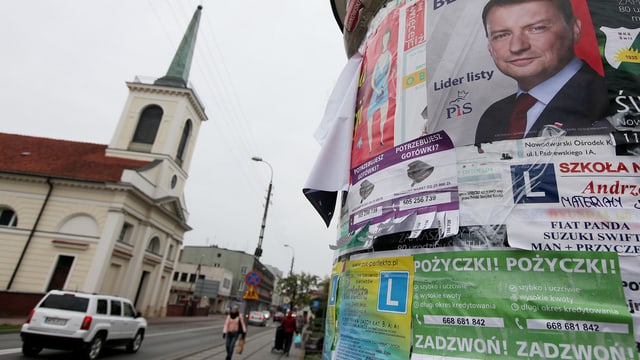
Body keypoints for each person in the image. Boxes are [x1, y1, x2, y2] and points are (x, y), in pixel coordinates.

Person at [474, 0, 610, 144]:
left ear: (574, 29)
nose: (517, 47)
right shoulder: (493, 116)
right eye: (502, 35)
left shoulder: (611, 101)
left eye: (536, 28)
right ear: (489, 46)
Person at [366, 28, 393, 153]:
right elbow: (372, 81)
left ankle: (382, 140)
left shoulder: (389, 55)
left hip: (384, 89)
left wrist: (382, 88)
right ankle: (370, 146)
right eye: (384, 39)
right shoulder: (378, 59)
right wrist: (376, 89)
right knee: (369, 118)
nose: (385, 41)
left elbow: (388, 73)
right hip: (376, 92)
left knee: (384, 116)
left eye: (387, 39)